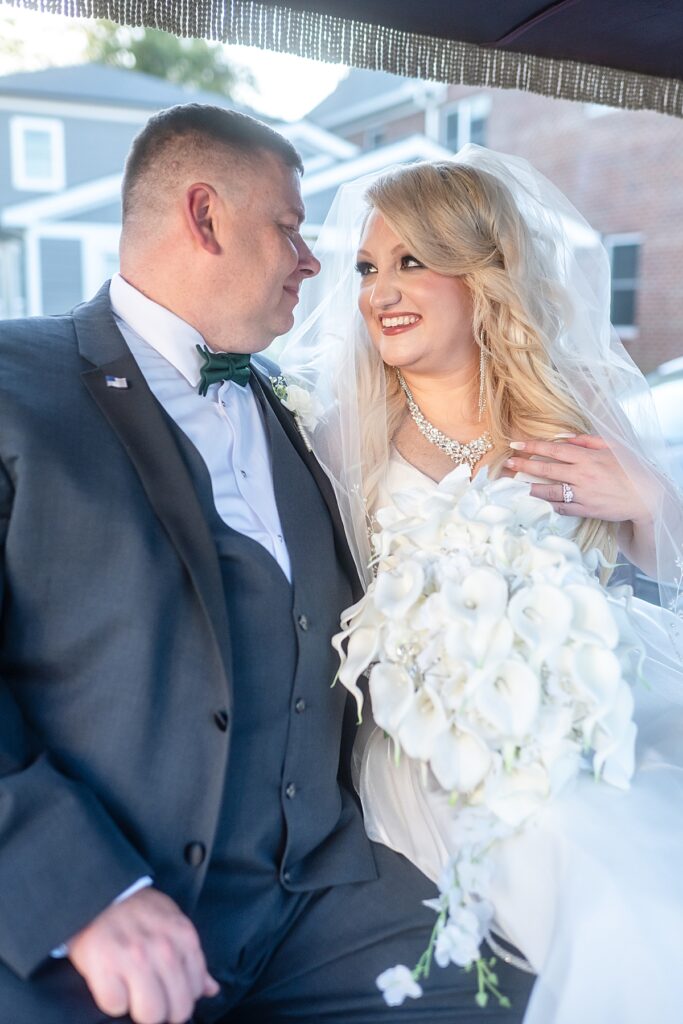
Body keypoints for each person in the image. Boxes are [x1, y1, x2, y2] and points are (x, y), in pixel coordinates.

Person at [0, 107, 536, 1024]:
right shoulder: (17, 386)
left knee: (531, 987)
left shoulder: (305, 415)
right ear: (204, 216)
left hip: (317, 906)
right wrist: (80, 897)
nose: (313, 260)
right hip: (106, 917)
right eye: (289, 227)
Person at [279, 146, 683, 1022]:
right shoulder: (343, 434)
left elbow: (668, 564)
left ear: (481, 273)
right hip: (439, 741)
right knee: (621, 884)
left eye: (410, 262)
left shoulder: (567, 404)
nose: (378, 292)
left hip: (597, 701)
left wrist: (649, 502)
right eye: (367, 268)